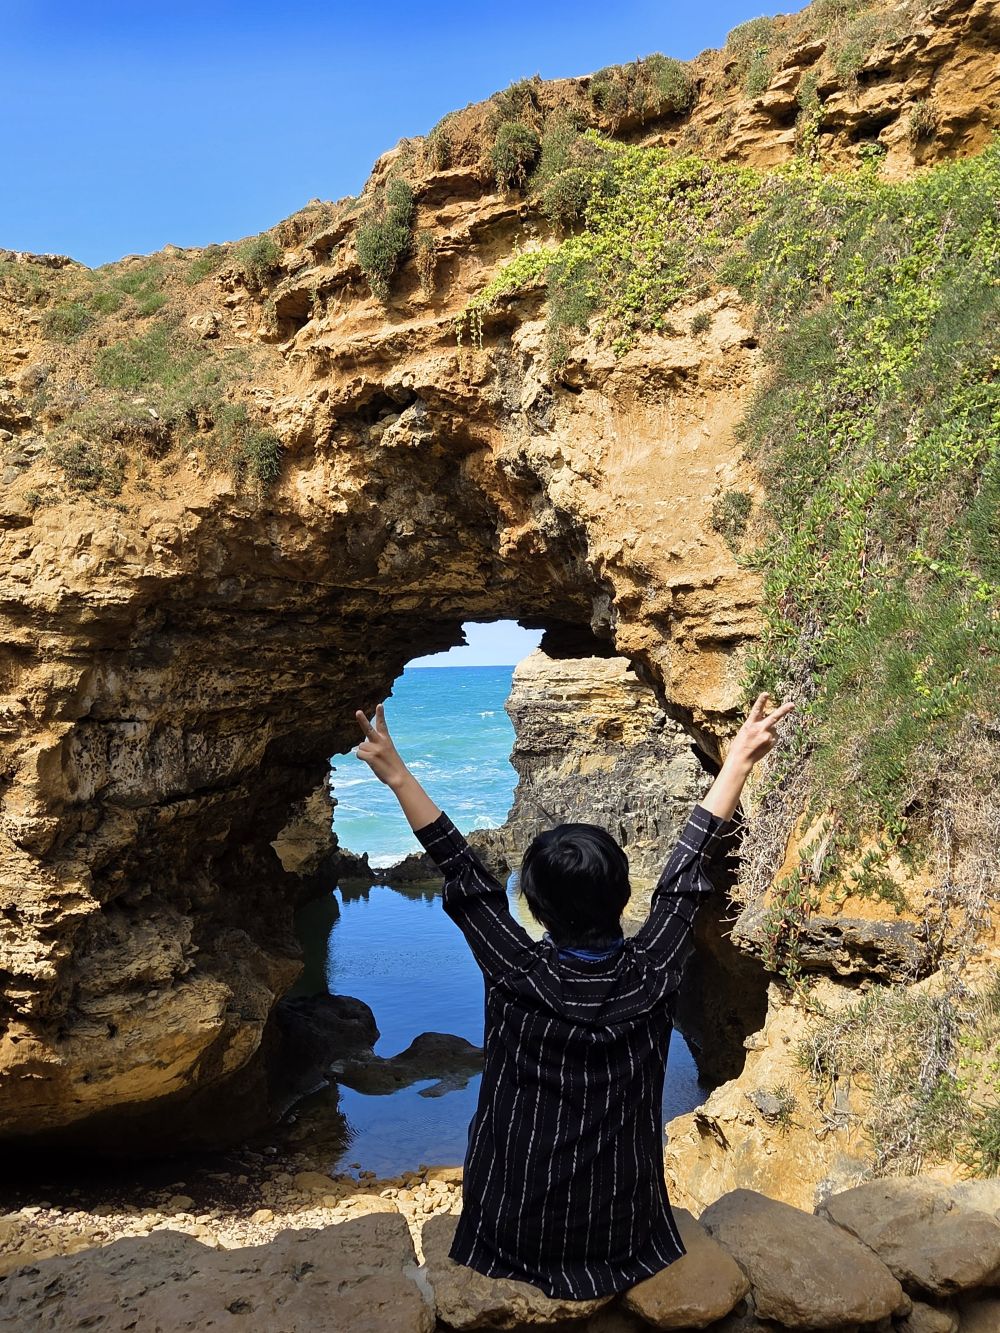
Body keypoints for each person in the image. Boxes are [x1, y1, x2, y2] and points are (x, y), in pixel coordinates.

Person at [353, 690, 795, 1301]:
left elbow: (467, 877)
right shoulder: (653, 971)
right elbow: (683, 878)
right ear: (622, 895)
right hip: (624, 1231)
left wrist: (398, 776)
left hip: (512, 1230)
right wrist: (739, 759)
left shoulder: (517, 971)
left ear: (535, 908)